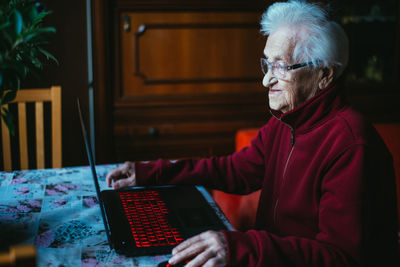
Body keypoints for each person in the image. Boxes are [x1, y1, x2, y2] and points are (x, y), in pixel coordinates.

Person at [106, 0, 399, 266]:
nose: (266, 79)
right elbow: (236, 170)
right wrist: (152, 172)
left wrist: (241, 247)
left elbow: (340, 258)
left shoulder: (351, 144)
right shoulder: (287, 119)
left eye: (281, 66)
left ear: (324, 74)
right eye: (267, 64)